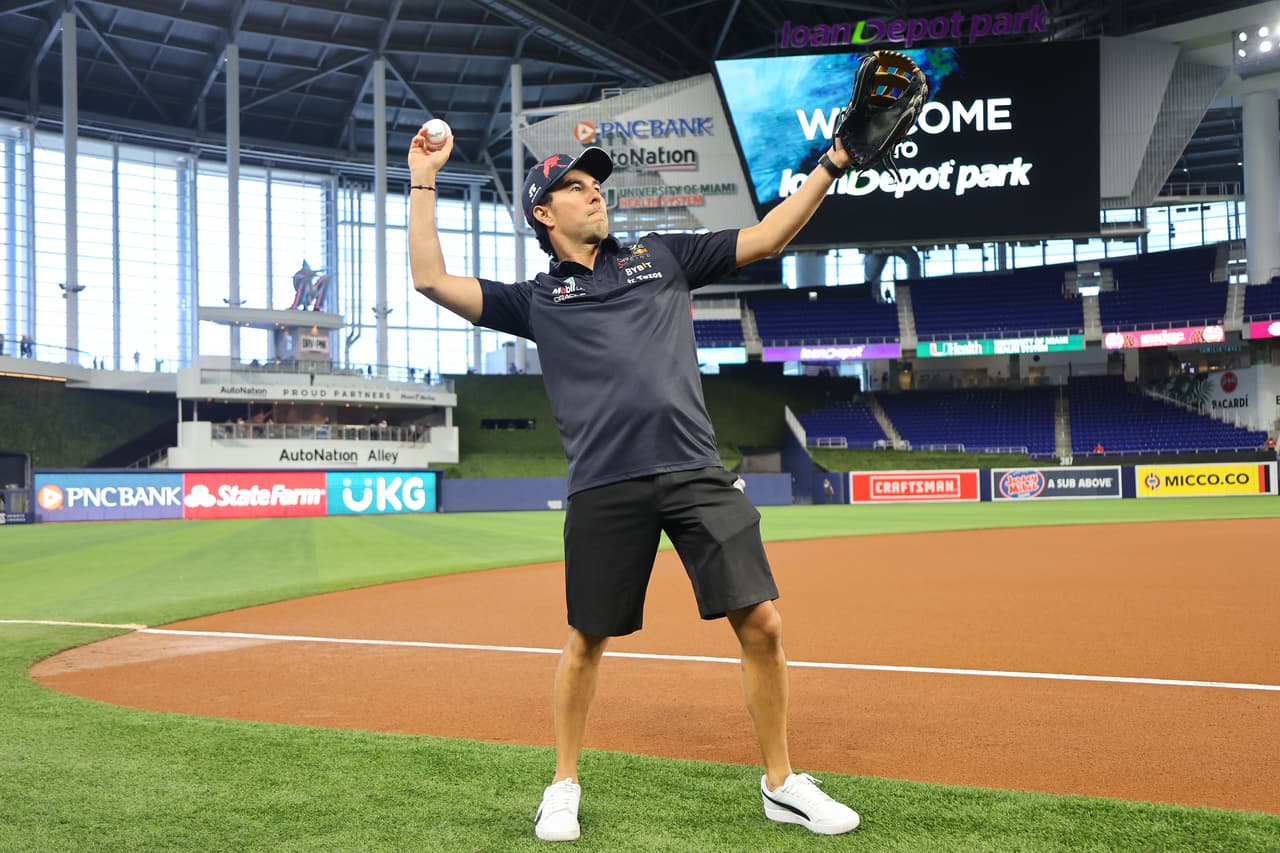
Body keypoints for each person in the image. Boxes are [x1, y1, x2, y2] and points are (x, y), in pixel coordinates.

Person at [408, 128, 862, 842]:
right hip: (603, 484)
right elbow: (430, 279)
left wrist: (832, 162)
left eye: (598, 183)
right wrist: (424, 179)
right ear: (544, 214)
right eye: (577, 187)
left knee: (764, 623)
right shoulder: (534, 299)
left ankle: (782, 784)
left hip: (694, 470)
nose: (596, 192)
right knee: (586, 639)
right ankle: (561, 785)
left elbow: (770, 235)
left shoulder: (662, 256)